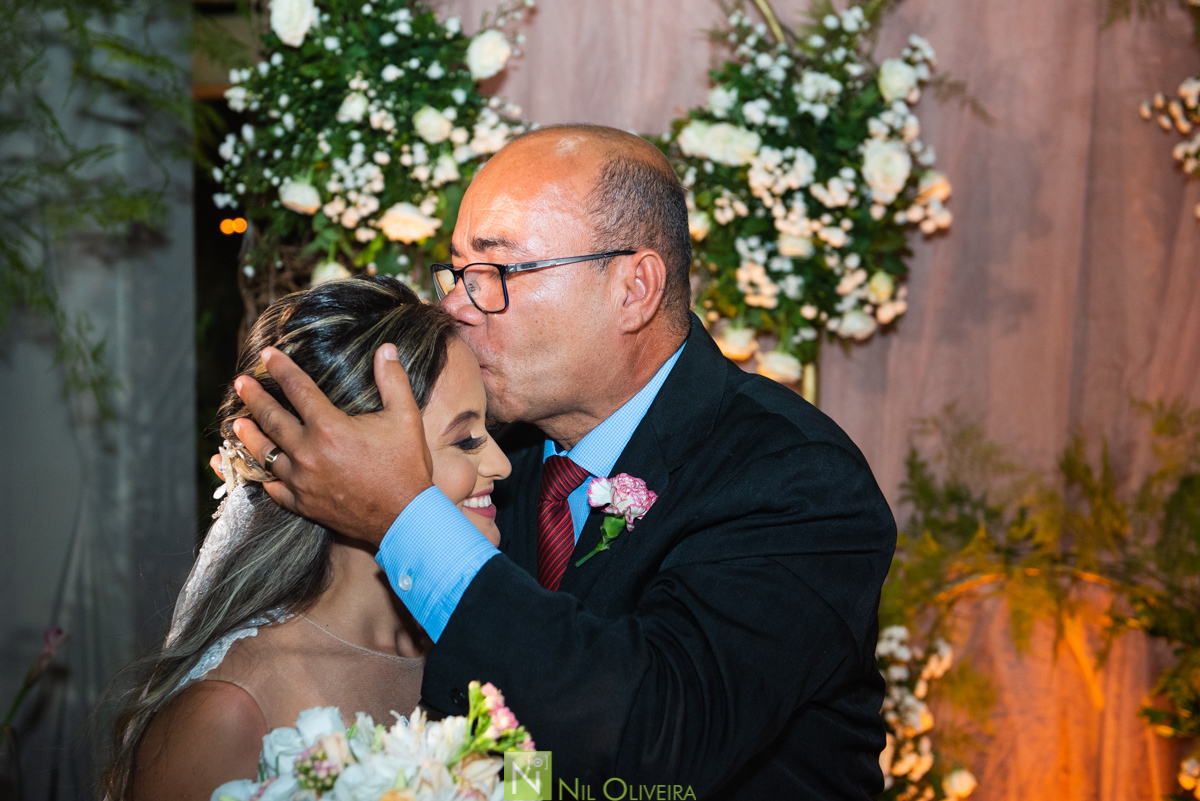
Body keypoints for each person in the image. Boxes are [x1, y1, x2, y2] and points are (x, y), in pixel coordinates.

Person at [229, 124, 897, 799]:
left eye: (495, 272)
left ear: (634, 287)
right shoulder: (478, 450)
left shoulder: (795, 478)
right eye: (458, 272)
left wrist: (406, 516)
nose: (456, 307)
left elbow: (651, 740)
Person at [102, 277, 511, 801]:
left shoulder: (492, 645)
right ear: (338, 463)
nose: (500, 463)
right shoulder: (230, 712)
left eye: (490, 430)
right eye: (466, 439)